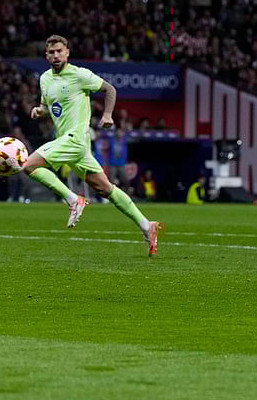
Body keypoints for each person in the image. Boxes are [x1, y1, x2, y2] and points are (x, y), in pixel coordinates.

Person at [21, 35, 162, 256]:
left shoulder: (80, 75)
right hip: (74, 145)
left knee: (28, 165)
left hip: (75, 138)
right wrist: (40, 110)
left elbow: (110, 89)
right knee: (106, 189)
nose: (56, 55)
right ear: (46, 55)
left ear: (67, 52)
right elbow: (49, 105)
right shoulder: (45, 79)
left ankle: (72, 199)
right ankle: (147, 225)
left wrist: (107, 115)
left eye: (59, 51)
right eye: (51, 52)